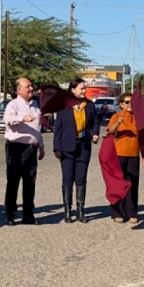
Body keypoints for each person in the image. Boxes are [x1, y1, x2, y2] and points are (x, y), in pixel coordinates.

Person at [53, 78, 100, 224]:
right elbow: (58, 129)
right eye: (81, 88)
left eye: (85, 88)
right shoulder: (64, 107)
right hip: (67, 147)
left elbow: (95, 121)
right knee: (68, 178)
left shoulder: (89, 105)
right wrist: (57, 147)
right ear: (72, 90)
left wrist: (95, 132)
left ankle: (80, 210)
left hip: (84, 146)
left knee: (81, 178)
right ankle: (68, 211)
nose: (84, 91)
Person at [3, 78, 45, 225]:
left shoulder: (35, 106)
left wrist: (40, 145)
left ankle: (28, 214)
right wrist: (22, 118)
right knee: (13, 181)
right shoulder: (13, 105)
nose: (31, 89)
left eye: (32, 86)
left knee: (30, 182)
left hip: (31, 148)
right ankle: (10, 214)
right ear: (19, 90)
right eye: (28, 87)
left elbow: (37, 127)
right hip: (16, 147)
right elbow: (7, 119)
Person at [106, 92, 144, 224]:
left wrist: (143, 155)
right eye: (127, 102)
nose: (130, 105)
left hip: (133, 155)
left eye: (131, 102)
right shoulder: (116, 116)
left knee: (132, 184)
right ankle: (117, 212)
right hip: (118, 155)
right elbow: (110, 131)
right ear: (121, 104)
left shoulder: (137, 118)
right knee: (118, 184)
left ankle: (132, 212)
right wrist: (117, 123)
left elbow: (142, 138)